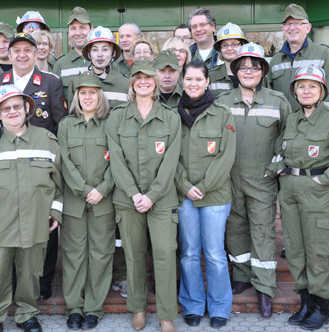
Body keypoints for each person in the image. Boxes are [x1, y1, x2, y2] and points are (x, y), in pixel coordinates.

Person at [0, 84, 62, 332]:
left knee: (30, 273)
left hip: (35, 220)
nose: (12, 111)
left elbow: (59, 183)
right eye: (5, 108)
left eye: (17, 106)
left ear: (27, 108)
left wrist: (56, 211)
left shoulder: (48, 141)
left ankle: (27, 314)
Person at [0, 32, 66, 301]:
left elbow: (60, 124)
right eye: (16, 50)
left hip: (39, 167)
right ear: (8, 53)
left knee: (45, 227)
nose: (22, 54)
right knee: (9, 225)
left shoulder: (51, 82)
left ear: (37, 52)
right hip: (5, 165)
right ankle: (14, 282)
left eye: (27, 49)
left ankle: (42, 281)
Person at [278, 65, 329, 330]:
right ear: (295, 91)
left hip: (318, 194)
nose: (306, 91)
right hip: (291, 192)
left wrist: (323, 179)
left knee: (317, 251)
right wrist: (276, 172)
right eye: (301, 86)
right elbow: (282, 151)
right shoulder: (292, 119)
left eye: (312, 86)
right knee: (296, 249)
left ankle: (321, 307)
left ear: (322, 91)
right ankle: (306, 302)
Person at [106, 58, 181, 332]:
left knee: (164, 254)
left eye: (148, 78)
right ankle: (138, 308)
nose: (143, 82)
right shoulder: (117, 116)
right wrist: (135, 194)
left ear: (156, 82)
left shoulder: (171, 117)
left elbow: (171, 161)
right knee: (134, 255)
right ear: (132, 83)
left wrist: (152, 195)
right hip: (128, 200)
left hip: (162, 200)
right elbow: (116, 160)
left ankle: (166, 314)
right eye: (138, 78)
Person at [217, 42, 292, 318]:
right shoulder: (222, 102)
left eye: (254, 66)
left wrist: (276, 166)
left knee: (262, 231)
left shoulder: (277, 102)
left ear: (263, 71)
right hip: (230, 179)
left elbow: (288, 138)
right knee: (234, 229)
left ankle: (265, 287)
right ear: (235, 71)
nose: (248, 71)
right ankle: (242, 275)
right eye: (243, 66)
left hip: (262, 179)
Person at [175, 60, 236, 328]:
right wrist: (185, 185)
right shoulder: (171, 114)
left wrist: (204, 186)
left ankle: (220, 307)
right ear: (182, 81)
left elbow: (226, 156)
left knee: (214, 253)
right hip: (184, 194)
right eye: (189, 79)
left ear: (207, 82)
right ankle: (193, 305)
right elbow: (167, 156)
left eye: (199, 79)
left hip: (215, 195)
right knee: (189, 252)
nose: (193, 84)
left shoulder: (222, 113)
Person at [59, 71, 115, 330]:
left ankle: (93, 307)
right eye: (83, 93)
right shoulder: (66, 125)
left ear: (100, 95)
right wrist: (83, 189)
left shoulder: (111, 123)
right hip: (75, 202)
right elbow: (64, 162)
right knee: (74, 256)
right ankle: (74, 307)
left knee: (101, 254)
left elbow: (119, 160)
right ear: (76, 97)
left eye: (93, 92)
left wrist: (102, 189)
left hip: (103, 201)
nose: (88, 97)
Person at [267, 3, 329, 112]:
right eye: (288, 23)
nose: (292, 28)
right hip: (283, 126)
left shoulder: (324, 54)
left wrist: (325, 124)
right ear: (283, 28)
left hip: (314, 126)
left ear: (308, 27)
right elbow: (269, 96)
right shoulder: (275, 61)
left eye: (298, 23)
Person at [67, 26, 128, 109]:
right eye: (95, 50)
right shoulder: (76, 83)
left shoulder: (125, 84)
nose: (99, 54)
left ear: (113, 53)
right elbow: (73, 118)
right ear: (89, 54)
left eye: (105, 49)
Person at [53, 7, 93, 96]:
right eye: (73, 28)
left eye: (82, 27)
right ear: (69, 31)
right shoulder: (60, 64)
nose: (78, 33)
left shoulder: (103, 61)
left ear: (91, 29)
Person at [208, 22, 248, 98]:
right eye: (225, 45)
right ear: (220, 49)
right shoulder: (211, 76)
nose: (229, 48)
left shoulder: (255, 75)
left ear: (242, 45)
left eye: (234, 44)